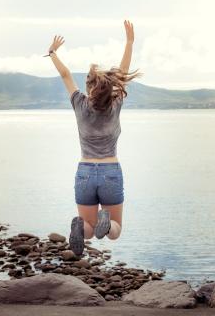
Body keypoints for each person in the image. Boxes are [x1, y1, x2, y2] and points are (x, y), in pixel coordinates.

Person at [46, 20, 142, 255]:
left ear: (88, 88)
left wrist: (52, 53)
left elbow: (66, 74)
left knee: (88, 228)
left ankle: (81, 226)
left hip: (85, 172)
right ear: (109, 90)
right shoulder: (115, 103)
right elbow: (122, 73)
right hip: (110, 171)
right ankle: (107, 223)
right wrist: (129, 42)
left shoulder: (79, 103)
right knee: (115, 232)